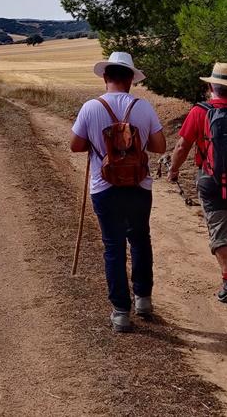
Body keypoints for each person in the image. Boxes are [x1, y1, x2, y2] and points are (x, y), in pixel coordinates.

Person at [70, 51, 166, 333]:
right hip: (139, 185)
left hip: (105, 187)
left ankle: (121, 313)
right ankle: (144, 300)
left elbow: (75, 146)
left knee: (113, 246)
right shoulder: (143, 107)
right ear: (131, 80)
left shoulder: (91, 107)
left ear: (105, 77)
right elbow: (159, 146)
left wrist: (96, 143)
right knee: (139, 239)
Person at [167, 62, 227, 304]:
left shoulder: (199, 111)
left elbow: (182, 146)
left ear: (212, 85)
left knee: (218, 229)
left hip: (210, 179)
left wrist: (173, 170)